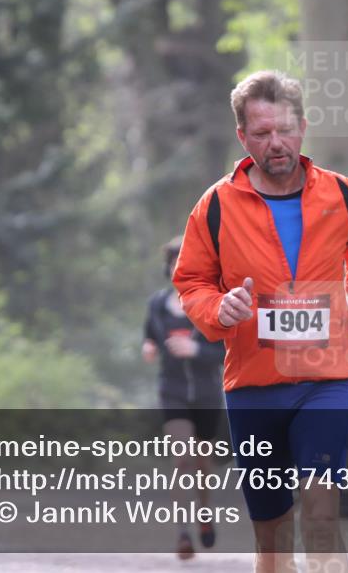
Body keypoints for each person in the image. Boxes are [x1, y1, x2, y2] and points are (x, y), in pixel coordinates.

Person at [172, 70, 348, 573]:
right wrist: (218, 309)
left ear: (304, 127)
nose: (277, 144)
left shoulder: (342, 195)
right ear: (243, 137)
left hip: (325, 379)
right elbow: (193, 282)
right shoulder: (216, 206)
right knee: (271, 532)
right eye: (263, 133)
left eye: (285, 130)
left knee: (321, 509)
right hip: (253, 384)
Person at [142, 236, 226, 560]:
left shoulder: (211, 303)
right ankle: (182, 533)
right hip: (172, 391)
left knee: (203, 463)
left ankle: (205, 513)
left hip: (206, 393)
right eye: (176, 262)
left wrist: (196, 350)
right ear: (169, 268)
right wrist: (148, 347)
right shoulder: (157, 304)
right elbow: (149, 335)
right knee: (182, 460)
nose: (181, 267)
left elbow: (224, 350)